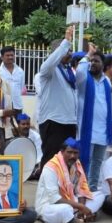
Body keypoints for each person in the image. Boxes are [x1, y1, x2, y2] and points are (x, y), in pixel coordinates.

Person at [35, 138, 105, 223]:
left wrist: (81, 208)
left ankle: (76, 217)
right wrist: (81, 206)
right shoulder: (51, 167)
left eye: (75, 153)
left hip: (71, 201)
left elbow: (81, 190)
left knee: (100, 195)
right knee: (65, 209)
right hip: (49, 205)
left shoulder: (76, 164)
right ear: (62, 152)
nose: (72, 156)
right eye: (69, 152)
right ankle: (76, 218)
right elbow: (54, 198)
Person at [37, 26, 78, 169]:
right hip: (53, 122)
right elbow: (50, 62)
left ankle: (63, 183)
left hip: (69, 122)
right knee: (51, 159)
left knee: (67, 160)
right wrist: (66, 41)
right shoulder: (48, 70)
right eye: (67, 50)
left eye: (71, 50)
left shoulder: (69, 71)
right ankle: (46, 184)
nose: (70, 54)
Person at [76, 47, 112, 191]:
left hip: (103, 130)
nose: (92, 63)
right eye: (91, 61)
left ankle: (92, 190)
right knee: (84, 161)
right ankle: (81, 190)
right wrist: (88, 55)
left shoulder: (107, 81)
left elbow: (108, 106)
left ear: (103, 65)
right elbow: (80, 71)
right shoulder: (84, 80)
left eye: (96, 61)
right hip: (88, 130)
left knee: (98, 162)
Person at [0, 45, 25, 112]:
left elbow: (21, 87)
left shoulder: (20, 71)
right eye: (7, 55)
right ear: (2, 57)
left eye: (12, 55)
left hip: (17, 105)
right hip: (2, 106)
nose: (10, 57)